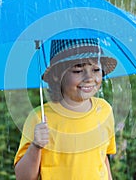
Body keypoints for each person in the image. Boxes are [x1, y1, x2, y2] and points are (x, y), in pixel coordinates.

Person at [14, 38, 118, 180]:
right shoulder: (40, 119)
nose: (89, 78)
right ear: (57, 75)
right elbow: (23, 177)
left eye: (95, 69)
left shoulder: (104, 110)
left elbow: (102, 158)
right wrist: (36, 146)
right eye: (78, 70)